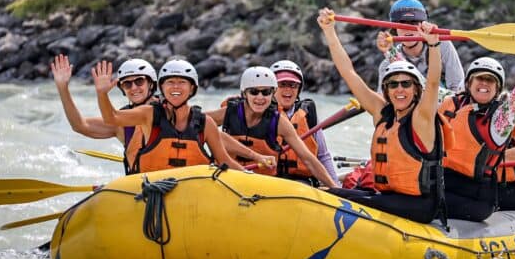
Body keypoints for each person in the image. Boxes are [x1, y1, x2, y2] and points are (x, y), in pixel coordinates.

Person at [318, 8, 446, 224]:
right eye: (393, 85)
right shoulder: (382, 113)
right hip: (389, 196)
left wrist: (433, 45)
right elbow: (349, 73)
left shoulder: (421, 118)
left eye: (406, 84)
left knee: (333, 195)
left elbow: (432, 83)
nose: (399, 90)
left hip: (420, 204)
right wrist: (330, 31)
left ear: (416, 89)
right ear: (386, 89)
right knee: (327, 192)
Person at [92, 59, 244, 173]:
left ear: (192, 89)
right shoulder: (148, 114)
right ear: (161, 88)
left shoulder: (205, 123)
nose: (176, 87)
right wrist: (102, 94)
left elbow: (225, 161)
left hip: (193, 197)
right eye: (170, 82)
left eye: (182, 82)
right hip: (152, 194)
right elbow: (111, 118)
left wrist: (250, 176)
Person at [438, 55, 515, 217]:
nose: (484, 83)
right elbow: (422, 86)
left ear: (497, 89)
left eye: (490, 80)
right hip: (449, 180)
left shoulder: (502, 118)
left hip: (482, 192)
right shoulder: (450, 103)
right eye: (479, 78)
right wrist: (390, 51)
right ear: (468, 84)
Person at [207, 67, 339, 189]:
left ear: (272, 94)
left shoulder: (279, 122)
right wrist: (256, 156)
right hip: (228, 178)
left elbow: (308, 159)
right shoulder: (229, 112)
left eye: (266, 92)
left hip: (263, 185)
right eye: (254, 92)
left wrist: (336, 189)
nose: (260, 98)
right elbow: (195, 122)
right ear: (244, 93)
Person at [51, 54, 157, 174]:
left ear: (151, 83)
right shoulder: (120, 123)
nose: (133, 88)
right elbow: (80, 125)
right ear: (122, 89)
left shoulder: (169, 109)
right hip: (143, 184)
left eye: (139, 81)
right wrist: (62, 87)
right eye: (127, 84)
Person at [376, 0, 464, 93]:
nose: (408, 29)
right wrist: (390, 53)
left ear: (422, 26)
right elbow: (383, 101)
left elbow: (458, 87)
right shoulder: (387, 64)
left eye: (413, 22)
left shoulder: (442, 45)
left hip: (444, 104)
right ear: (395, 29)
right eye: (402, 24)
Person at [269, 59, 339, 186]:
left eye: (293, 85)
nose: (288, 90)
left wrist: (337, 187)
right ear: (272, 88)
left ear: (299, 89)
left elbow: (323, 156)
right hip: (268, 180)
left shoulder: (307, 114)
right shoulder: (260, 112)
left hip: (301, 184)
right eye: (282, 84)